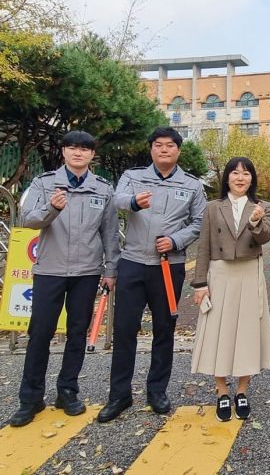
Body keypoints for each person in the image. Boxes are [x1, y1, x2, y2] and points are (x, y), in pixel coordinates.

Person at [8, 131, 120, 427]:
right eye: (72, 147)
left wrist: (111, 270)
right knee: (40, 334)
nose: (78, 153)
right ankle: (30, 399)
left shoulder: (102, 189)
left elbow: (109, 232)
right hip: (49, 270)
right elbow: (27, 220)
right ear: (63, 151)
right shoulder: (44, 184)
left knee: (76, 332)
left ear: (92, 155)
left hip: (86, 272)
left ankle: (67, 391)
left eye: (85, 149)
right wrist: (52, 209)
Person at [98, 127, 207, 423]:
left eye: (170, 146)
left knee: (164, 329)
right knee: (124, 330)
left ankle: (157, 390)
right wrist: (133, 202)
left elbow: (199, 222)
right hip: (132, 262)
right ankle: (119, 395)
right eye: (158, 145)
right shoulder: (133, 177)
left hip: (168, 266)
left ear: (178, 151)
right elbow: (116, 200)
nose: (163, 150)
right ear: (151, 150)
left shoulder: (192, 185)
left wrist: (176, 241)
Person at [191, 157, 270, 422]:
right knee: (218, 333)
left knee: (247, 333)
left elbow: (264, 238)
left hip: (250, 272)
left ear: (252, 179)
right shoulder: (213, 207)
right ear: (226, 177)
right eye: (235, 173)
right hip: (220, 273)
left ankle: (242, 390)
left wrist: (256, 222)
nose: (240, 177)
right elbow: (203, 246)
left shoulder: (262, 207)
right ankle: (221, 391)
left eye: (246, 173)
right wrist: (200, 283)